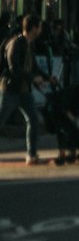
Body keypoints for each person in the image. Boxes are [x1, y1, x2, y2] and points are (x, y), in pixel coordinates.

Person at [0, 13, 45, 164]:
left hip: (24, 91)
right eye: (39, 27)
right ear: (33, 28)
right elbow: (15, 69)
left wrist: (46, 77)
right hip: (10, 90)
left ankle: (31, 155)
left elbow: (33, 66)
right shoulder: (16, 44)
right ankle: (31, 154)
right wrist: (33, 78)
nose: (40, 30)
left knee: (33, 119)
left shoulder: (28, 44)